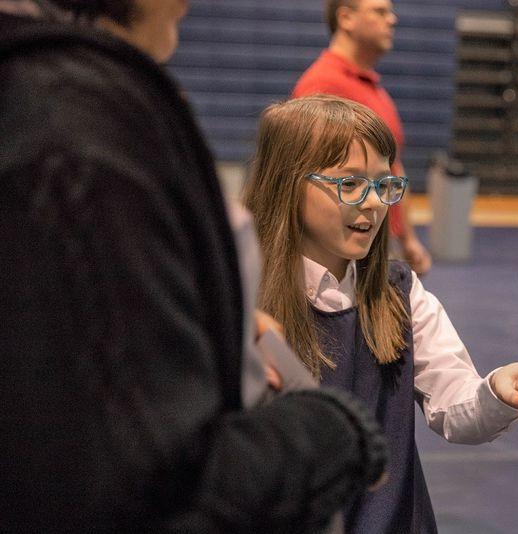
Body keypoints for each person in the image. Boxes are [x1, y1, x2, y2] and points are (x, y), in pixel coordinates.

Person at [0, 1, 386, 531]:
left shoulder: (66, 103)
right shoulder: (74, 137)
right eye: (350, 182)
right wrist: (334, 433)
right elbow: (147, 487)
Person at [243, 95, 518, 534]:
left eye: (383, 185)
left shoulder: (400, 292)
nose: (374, 204)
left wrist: (506, 389)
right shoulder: (244, 307)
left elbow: (454, 406)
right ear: (287, 185)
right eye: (349, 184)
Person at [292, 0, 432, 276]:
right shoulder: (322, 86)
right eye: (379, 12)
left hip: (375, 239)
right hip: (347, 252)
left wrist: (406, 237)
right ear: (346, 18)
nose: (392, 20)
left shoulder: (371, 87)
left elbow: (392, 167)